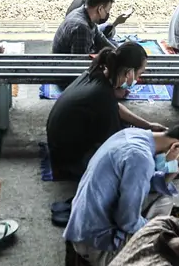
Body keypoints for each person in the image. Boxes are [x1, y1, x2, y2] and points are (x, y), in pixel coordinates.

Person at [64, 124, 179, 266]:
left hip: (81, 231)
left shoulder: (132, 134)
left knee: (164, 196)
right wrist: (158, 229)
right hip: (99, 250)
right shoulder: (141, 159)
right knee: (169, 250)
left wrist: (170, 168)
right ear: (177, 147)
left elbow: (155, 184)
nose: (178, 168)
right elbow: (127, 223)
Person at [45, 43, 167, 181]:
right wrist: (159, 151)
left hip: (59, 148)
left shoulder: (96, 73)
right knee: (135, 166)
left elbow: (115, 107)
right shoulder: (102, 98)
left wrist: (148, 125)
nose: (138, 79)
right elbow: (118, 147)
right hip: (70, 162)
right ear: (129, 73)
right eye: (140, 73)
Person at [52, 0, 117, 55]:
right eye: (108, 10)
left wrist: (117, 52)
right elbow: (81, 61)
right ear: (100, 9)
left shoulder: (84, 12)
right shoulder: (81, 28)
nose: (108, 13)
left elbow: (100, 38)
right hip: (65, 63)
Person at [66, 0, 131, 41]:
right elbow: (95, 35)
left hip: (72, 31)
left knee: (110, 30)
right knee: (110, 34)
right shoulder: (88, 11)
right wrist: (116, 23)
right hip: (76, 37)